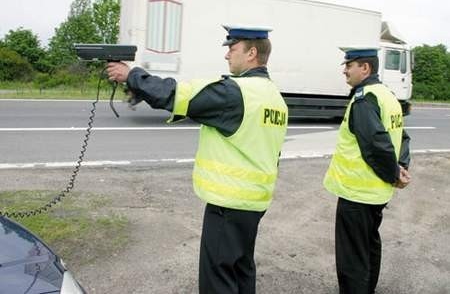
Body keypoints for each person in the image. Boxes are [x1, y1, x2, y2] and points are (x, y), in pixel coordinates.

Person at [107, 25, 288, 293]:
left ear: (251, 53)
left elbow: (172, 94)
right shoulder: (274, 97)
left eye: (232, 48)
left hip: (228, 203)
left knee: (218, 279)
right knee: (241, 271)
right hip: (254, 202)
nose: (227, 55)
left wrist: (131, 75)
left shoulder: (235, 93)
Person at [323, 47, 411, 294]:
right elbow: (401, 137)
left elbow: (376, 144)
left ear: (365, 68)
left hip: (357, 192)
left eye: (349, 65)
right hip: (376, 192)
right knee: (369, 246)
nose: (344, 70)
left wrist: (395, 174)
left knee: (353, 256)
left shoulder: (365, 99)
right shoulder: (388, 96)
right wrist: (401, 167)